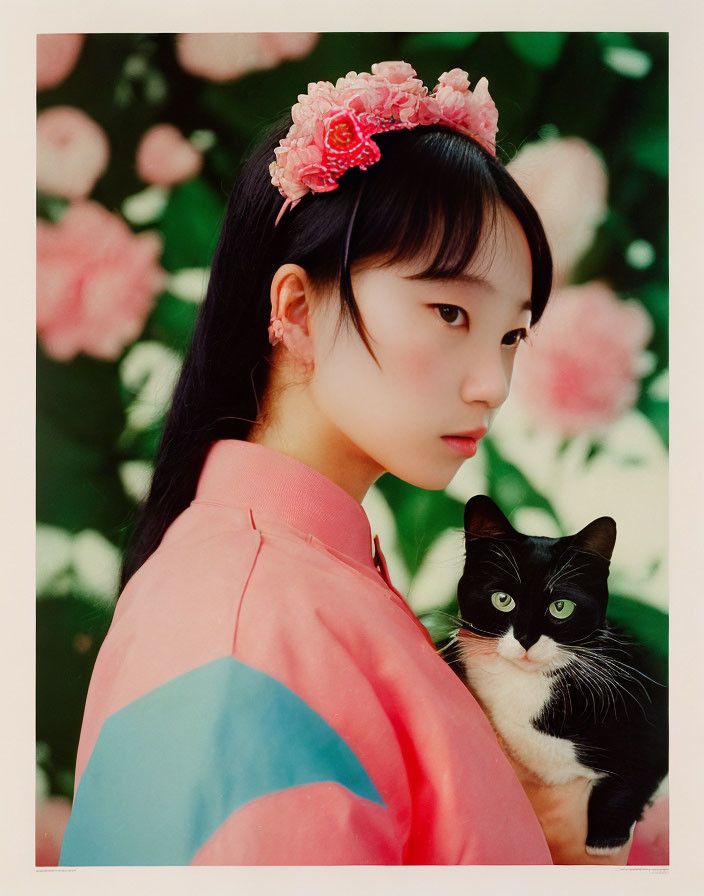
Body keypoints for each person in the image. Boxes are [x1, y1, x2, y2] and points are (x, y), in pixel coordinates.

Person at [59, 60, 636, 866]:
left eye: (511, 335)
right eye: (449, 311)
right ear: (296, 308)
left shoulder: (294, 577)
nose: (492, 383)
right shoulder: (254, 621)